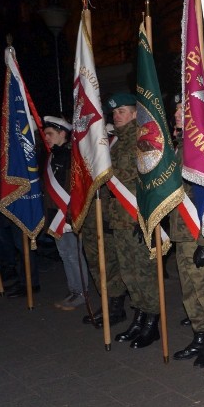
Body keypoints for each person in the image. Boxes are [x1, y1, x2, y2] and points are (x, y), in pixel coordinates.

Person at [102, 93, 162, 348]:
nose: (117, 116)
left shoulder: (144, 141)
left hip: (138, 218)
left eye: (123, 112)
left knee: (145, 272)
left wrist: (147, 215)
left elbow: (152, 181)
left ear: (135, 114)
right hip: (119, 219)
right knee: (128, 273)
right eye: (115, 113)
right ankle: (139, 315)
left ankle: (152, 322)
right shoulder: (112, 144)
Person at [169, 98, 204, 367]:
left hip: (196, 232)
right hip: (180, 231)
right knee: (189, 289)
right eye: (176, 110)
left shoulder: (202, 148)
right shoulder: (178, 147)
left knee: (203, 290)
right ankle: (199, 335)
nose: (177, 114)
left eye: (182, 110)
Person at [79, 121, 127, 329]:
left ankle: (116, 307)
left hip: (106, 217)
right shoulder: (87, 154)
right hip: (89, 217)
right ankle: (106, 302)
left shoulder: (112, 153)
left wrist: (107, 217)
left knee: (109, 265)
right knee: (94, 264)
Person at [41, 116, 89, 310]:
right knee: (64, 253)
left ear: (63, 133)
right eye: (45, 134)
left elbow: (75, 187)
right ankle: (74, 289)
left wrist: (71, 212)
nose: (47, 138)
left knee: (73, 254)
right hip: (55, 213)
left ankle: (81, 292)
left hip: (69, 213)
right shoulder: (53, 154)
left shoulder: (71, 156)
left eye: (50, 134)